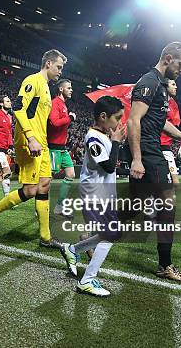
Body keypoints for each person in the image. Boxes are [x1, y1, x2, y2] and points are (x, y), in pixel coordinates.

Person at [127, 42, 181, 283]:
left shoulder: (160, 85)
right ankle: (165, 265)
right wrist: (138, 159)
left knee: (135, 207)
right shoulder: (149, 82)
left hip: (152, 150)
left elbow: (161, 123)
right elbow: (133, 121)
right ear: (168, 58)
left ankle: (92, 233)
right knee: (167, 206)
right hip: (148, 152)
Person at [0, 49, 67, 249]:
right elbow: (18, 108)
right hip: (29, 142)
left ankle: (45, 237)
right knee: (29, 190)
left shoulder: (45, 87)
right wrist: (30, 137)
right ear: (48, 64)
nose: (60, 71)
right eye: (59, 67)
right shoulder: (33, 80)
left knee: (44, 185)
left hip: (41, 143)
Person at [59, 96, 125, 297]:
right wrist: (116, 142)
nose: (120, 122)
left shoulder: (103, 135)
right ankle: (86, 280)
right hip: (94, 193)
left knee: (110, 233)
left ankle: (73, 249)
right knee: (112, 234)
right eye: (117, 118)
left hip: (103, 193)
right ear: (103, 117)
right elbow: (108, 165)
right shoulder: (93, 137)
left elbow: (110, 167)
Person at [48, 79, 77, 218]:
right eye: (69, 87)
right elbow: (54, 122)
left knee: (70, 174)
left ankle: (59, 207)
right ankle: (41, 207)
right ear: (61, 89)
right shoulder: (55, 103)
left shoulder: (63, 105)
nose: (71, 90)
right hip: (53, 148)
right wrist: (70, 118)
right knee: (48, 179)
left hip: (61, 148)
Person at [160, 80, 181, 185]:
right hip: (152, 144)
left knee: (174, 181)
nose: (176, 87)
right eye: (173, 84)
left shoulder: (173, 104)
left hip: (165, 146)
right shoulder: (155, 101)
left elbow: (175, 126)